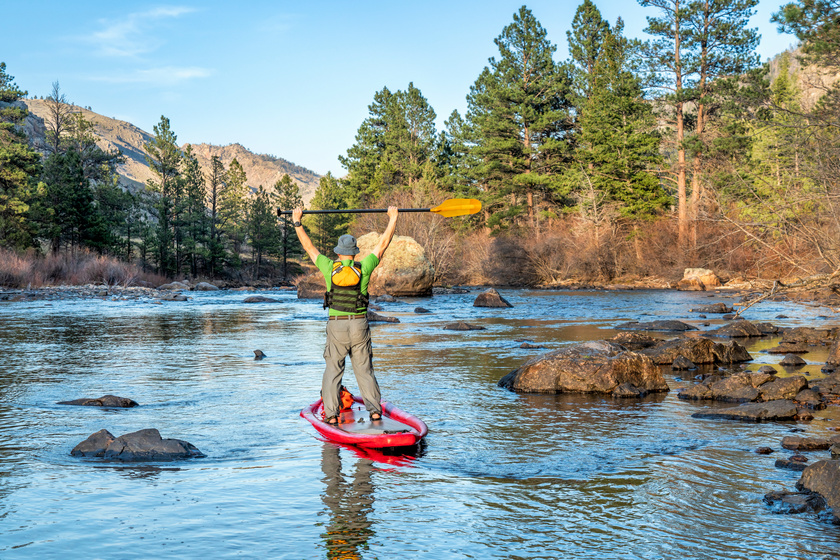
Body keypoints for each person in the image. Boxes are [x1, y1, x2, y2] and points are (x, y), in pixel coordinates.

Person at [291, 206, 399, 425]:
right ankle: (375, 411)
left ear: (339, 252)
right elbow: (383, 245)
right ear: (355, 253)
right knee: (364, 369)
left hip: (337, 326)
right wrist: (393, 218)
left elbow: (309, 247)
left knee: (333, 370)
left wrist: (297, 222)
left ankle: (331, 415)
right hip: (359, 325)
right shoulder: (365, 266)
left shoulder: (329, 266)